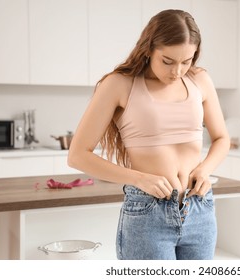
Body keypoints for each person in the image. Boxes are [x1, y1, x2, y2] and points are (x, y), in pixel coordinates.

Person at [68, 9, 230, 260]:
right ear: (148, 48)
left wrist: (205, 169)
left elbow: (222, 138)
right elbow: (77, 155)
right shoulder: (120, 84)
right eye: (168, 61)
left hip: (199, 207)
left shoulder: (200, 80)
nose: (177, 71)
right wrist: (140, 179)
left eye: (186, 61)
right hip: (148, 212)